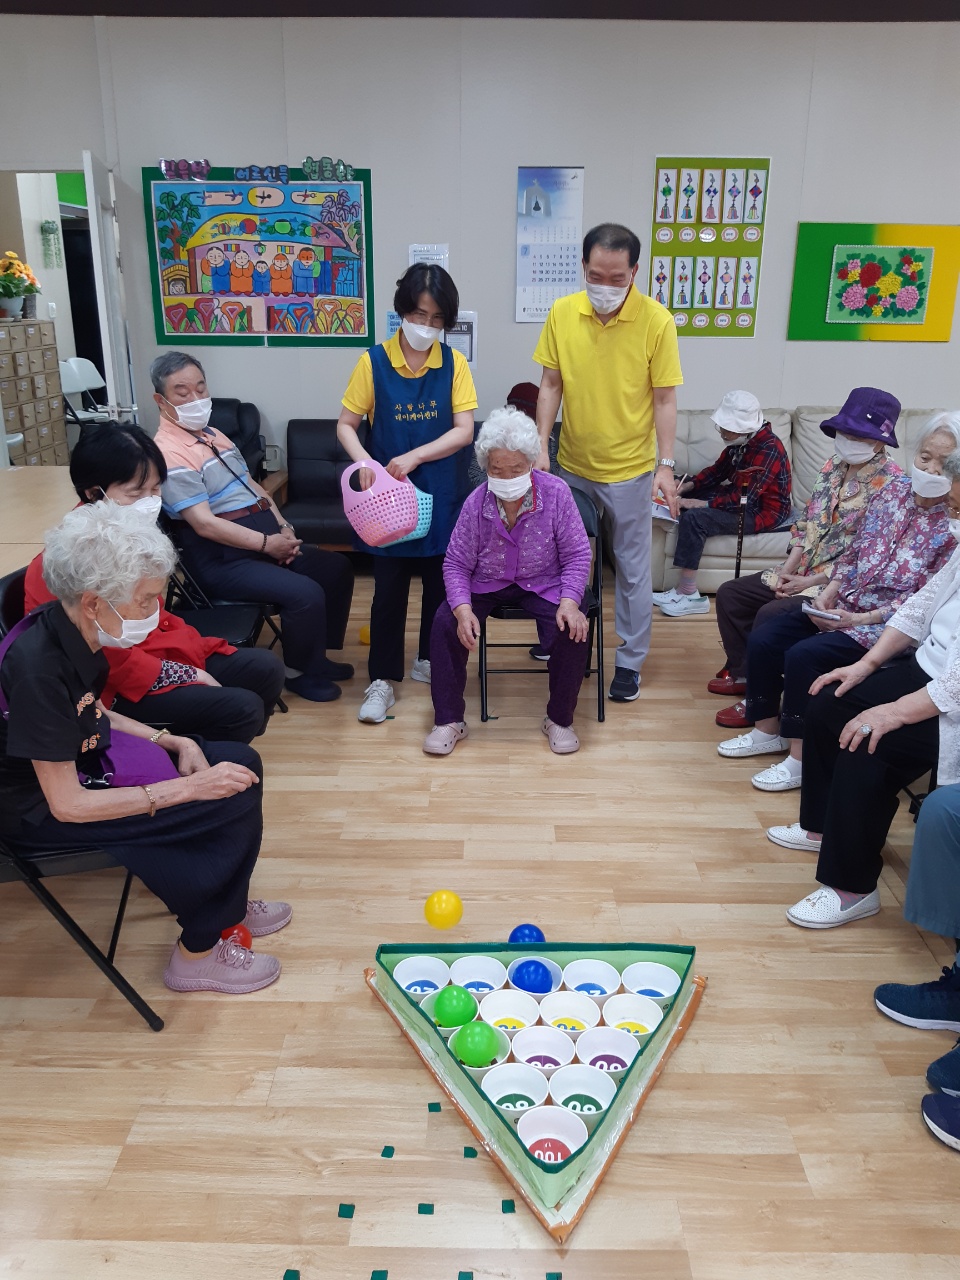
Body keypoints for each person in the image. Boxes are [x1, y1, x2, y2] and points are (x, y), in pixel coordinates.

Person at [0, 503, 289, 995]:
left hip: (80, 759)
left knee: (239, 763)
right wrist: (187, 789)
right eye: (146, 600)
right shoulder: (37, 669)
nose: (154, 613)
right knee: (225, 795)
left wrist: (170, 739)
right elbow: (67, 805)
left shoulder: (70, 627)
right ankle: (197, 954)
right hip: (36, 809)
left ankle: (228, 908)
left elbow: (91, 710)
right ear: (94, 602)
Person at [719, 417, 959, 791]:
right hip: (846, 602)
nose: (929, 469)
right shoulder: (892, 491)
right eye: (925, 457)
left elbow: (924, 602)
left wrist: (858, 619)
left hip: (884, 625)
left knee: (804, 656)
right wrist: (830, 590)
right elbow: (856, 549)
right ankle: (767, 731)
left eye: (943, 464)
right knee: (767, 636)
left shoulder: (952, 522)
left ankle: (799, 760)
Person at [765, 496, 960, 930]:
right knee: (829, 703)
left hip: (952, 701)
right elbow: (920, 607)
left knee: (867, 741)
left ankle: (853, 888)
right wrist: (865, 665)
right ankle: (822, 828)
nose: (951, 517)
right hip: (928, 669)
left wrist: (893, 712)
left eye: (958, 507)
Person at [23, 423, 285, 744]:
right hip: (113, 683)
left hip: (152, 651)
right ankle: (188, 754)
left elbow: (155, 615)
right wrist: (184, 673)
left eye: (156, 489)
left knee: (265, 669)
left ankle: (217, 746)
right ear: (93, 494)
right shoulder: (67, 560)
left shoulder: (131, 533)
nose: (149, 502)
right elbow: (100, 660)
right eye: (136, 493)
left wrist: (191, 656)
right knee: (241, 708)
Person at [533, 222, 683, 703]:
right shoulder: (562, 312)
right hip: (573, 465)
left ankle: (630, 662)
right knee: (560, 557)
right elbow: (551, 384)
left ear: (634, 271)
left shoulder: (657, 321)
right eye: (596, 275)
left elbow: (664, 399)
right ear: (583, 266)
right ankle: (560, 636)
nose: (605, 286)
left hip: (630, 469)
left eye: (617, 278)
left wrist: (665, 464)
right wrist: (541, 444)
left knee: (633, 570)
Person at [151, 352, 355, 704]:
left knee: (335, 568)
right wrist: (266, 544)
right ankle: (298, 672)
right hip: (222, 560)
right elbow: (203, 524)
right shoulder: (168, 453)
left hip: (261, 543)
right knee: (304, 593)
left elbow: (255, 488)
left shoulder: (214, 435)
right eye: (182, 393)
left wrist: (284, 528)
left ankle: (316, 656)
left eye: (201, 388)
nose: (196, 399)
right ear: (161, 400)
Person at [709, 387, 904, 723]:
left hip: (837, 585)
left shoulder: (892, 485)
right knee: (731, 594)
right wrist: (787, 571)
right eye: (844, 432)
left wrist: (807, 582)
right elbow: (806, 522)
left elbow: (867, 556)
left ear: (879, 441)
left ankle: (763, 701)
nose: (847, 440)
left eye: (857, 435)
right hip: (803, 569)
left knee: (771, 614)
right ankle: (745, 674)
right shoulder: (832, 466)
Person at [336, 263, 477, 725]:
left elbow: (464, 431)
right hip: (387, 497)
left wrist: (415, 456)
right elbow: (346, 425)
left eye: (437, 319)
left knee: (441, 586)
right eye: (419, 315)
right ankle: (381, 679)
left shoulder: (453, 364)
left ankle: (429, 659)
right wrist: (366, 465)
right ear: (402, 312)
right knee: (388, 592)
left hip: (441, 490)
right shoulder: (372, 362)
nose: (427, 326)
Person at [424, 408, 591, 757]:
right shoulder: (476, 503)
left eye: (515, 469)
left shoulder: (556, 493)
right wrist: (463, 610)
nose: (506, 477)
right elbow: (456, 563)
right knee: (444, 623)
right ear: (485, 467)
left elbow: (578, 555)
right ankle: (449, 721)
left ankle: (559, 720)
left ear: (531, 462)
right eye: (496, 470)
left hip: (544, 582)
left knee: (572, 628)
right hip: (486, 582)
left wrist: (570, 602)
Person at [653, 390, 791, 618]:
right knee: (685, 487)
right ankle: (680, 592)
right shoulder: (742, 442)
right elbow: (717, 472)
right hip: (742, 497)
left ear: (745, 428)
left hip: (761, 511)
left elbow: (743, 499)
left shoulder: (769, 450)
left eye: (728, 428)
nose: (723, 432)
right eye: (723, 426)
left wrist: (699, 504)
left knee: (695, 518)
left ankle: (689, 594)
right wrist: (686, 486)